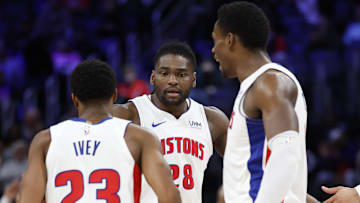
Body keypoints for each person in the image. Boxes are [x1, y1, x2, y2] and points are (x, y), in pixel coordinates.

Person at [19, 60, 181, 203]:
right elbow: (170, 197)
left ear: (74, 99)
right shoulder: (139, 138)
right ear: (114, 96)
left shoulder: (46, 141)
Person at [211, 2, 308, 203]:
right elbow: (274, 174)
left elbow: (286, 154)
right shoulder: (258, 85)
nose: (213, 50)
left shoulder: (270, 83)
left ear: (229, 40)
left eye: (215, 41)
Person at [112, 41, 229, 203]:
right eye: (164, 74)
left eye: (181, 74)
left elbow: (243, 164)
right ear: (153, 77)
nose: (172, 81)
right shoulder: (129, 114)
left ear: (193, 79)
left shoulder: (212, 120)